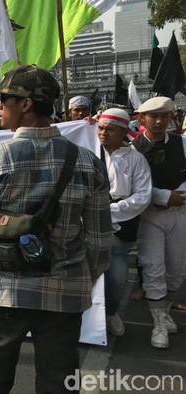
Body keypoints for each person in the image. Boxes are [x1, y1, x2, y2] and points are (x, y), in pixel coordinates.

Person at [0, 64, 112, 393]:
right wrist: (83, 279)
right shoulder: (87, 162)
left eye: (5, 99)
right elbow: (99, 239)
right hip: (64, 293)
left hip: (4, 292)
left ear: (25, 104)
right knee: (58, 382)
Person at [131, 96, 186, 349]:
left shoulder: (182, 144)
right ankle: (158, 323)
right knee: (154, 267)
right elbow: (132, 187)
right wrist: (165, 196)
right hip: (149, 216)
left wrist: (180, 196)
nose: (160, 121)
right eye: (154, 116)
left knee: (177, 268)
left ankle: (164, 312)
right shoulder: (131, 151)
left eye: (165, 116)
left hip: (180, 213)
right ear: (142, 119)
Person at [95, 108, 152, 337]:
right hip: (88, 221)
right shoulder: (88, 151)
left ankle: (111, 312)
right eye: (100, 128)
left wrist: (109, 211)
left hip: (121, 225)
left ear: (123, 132)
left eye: (110, 129)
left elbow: (143, 196)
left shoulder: (135, 158)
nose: (103, 133)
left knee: (116, 277)